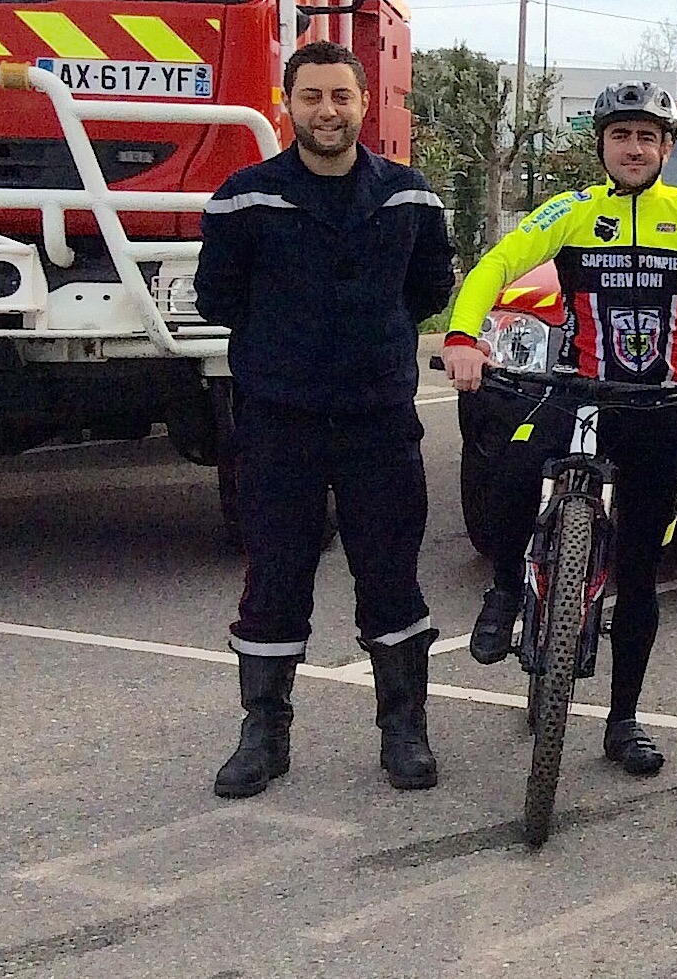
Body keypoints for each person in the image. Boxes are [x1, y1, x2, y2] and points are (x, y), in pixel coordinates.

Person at [441, 81, 677, 776]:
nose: (635, 147)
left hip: (659, 407)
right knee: (515, 467)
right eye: (622, 135)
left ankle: (624, 721)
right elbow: (497, 264)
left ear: (667, 148)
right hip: (580, 391)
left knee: (641, 570)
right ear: (602, 146)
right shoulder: (573, 210)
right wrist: (463, 334)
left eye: (648, 136)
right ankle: (503, 589)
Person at [197, 40, 456, 798]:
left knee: (390, 576)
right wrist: (290, 346)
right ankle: (263, 734)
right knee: (274, 578)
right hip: (280, 425)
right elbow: (220, 298)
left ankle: (404, 730)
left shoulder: (409, 197)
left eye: (340, 96)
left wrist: (365, 344)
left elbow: (427, 288)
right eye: (311, 96)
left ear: (363, 103)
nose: (327, 111)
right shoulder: (245, 198)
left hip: (378, 420)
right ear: (288, 104)